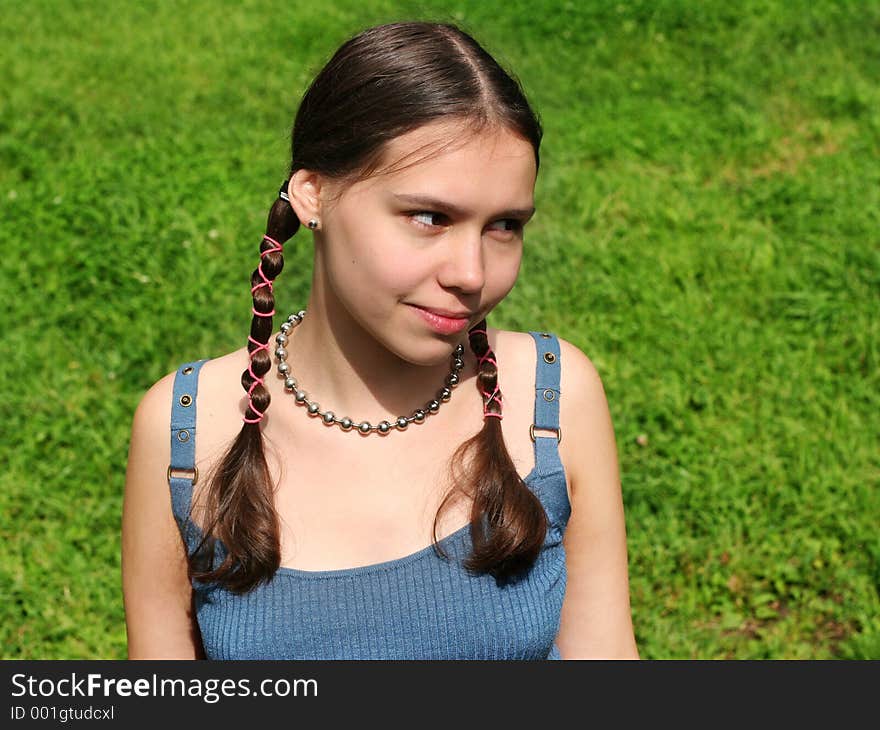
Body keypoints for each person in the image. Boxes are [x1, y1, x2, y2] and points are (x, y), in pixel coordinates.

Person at [122, 21, 639, 660]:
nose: (471, 274)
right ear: (314, 194)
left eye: (504, 226)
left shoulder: (552, 402)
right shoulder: (189, 431)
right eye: (430, 217)